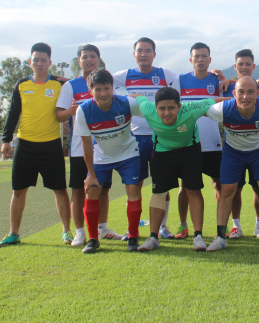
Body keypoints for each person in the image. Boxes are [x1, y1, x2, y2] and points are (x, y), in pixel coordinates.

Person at [0, 42, 72, 247]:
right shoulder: (21, 85)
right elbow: (13, 114)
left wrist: (67, 79)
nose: (39, 63)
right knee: (18, 191)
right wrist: (6, 140)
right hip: (25, 145)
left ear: (50, 62)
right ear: (30, 62)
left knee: (60, 190)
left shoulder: (59, 85)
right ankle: (13, 233)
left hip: (51, 145)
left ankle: (66, 231)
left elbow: (81, 86)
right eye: (36, 60)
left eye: (43, 60)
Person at [132, 87, 227, 252]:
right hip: (162, 152)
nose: (166, 113)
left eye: (171, 108)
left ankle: (198, 236)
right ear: (155, 108)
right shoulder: (148, 109)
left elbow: (218, 101)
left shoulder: (191, 108)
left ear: (179, 106)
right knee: (159, 192)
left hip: (189, 151)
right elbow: (138, 96)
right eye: (162, 108)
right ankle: (153, 237)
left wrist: (242, 99)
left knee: (193, 190)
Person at [205, 76, 259, 251]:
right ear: (234, 94)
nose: (246, 96)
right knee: (226, 191)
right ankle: (221, 237)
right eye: (241, 92)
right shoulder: (221, 109)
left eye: (250, 92)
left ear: (258, 93)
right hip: (233, 152)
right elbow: (198, 108)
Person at [112, 37, 181, 240]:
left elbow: (183, 85)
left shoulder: (165, 74)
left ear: (154, 54)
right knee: (134, 185)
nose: (143, 54)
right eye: (140, 51)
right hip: (135, 139)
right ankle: (131, 228)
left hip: (160, 137)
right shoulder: (125, 75)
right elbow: (100, 80)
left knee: (162, 185)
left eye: (148, 50)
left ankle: (163, 226)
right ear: (134, 54)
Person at [56, 44, 122, 247]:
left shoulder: (107, 82)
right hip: (79, 148)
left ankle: (102, 229)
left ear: (98, 59)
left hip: (104, 148)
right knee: (78, 190)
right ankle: (80, 232)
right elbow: (59, 115)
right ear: (79, 61)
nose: (89, 60)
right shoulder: (70, 86)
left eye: (93, 56)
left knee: (103, 189)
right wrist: (69, 111)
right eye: (85, 57)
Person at [73, 69, 144, 253]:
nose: (103, 93)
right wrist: (91, 174)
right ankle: (93, 239)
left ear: (113, 87)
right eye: (98, 89)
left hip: (128, 154)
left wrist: (142, 99)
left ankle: (133, 236)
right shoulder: (83, 111)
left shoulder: (127, 103)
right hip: (101, 157)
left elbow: (150, 113)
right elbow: (86, 144)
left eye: (106, 88)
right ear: (90, 91)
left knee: (133, 190)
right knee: (92, 190)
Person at [174, 42, 225, 240]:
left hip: (213, 144)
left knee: (219, 184)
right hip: (188, 144)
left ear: (210, 60)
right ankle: (183, 225)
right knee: (185, 187)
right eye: (196, 56)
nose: (200, 59)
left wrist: (226, 78)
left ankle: (221, 227)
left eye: (204, 56)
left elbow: (231, 97)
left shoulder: (217, 81)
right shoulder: (180, 81)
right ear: (191, 60)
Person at [219, 49, 259, 239]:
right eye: (241, 64)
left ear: (253, 66)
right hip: (234, 148)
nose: (244, 67)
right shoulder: (225, 87)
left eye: (248, 64)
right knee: (234, 189)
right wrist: (219, 75)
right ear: (235, 66)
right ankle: (236, 226)